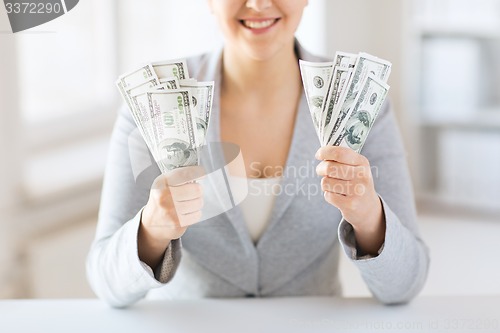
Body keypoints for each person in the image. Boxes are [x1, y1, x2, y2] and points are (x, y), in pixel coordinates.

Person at [86, 0, 429, 308]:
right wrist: (151, 230)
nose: (259, 3)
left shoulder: (358, 102)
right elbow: (106, 282)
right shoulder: (154, 103)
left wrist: (369, 217)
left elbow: (405, 284)